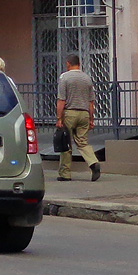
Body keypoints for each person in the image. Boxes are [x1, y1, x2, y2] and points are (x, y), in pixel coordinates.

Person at [56, 54, 100, 182]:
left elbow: (61, 100)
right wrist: (91, 119)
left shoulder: (65, 78)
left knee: (66, 144)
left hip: (70, 113)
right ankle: (93, 162)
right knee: (82, 143)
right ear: (79, 64)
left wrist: (59, 118)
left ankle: (65, 174)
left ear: (68, 63)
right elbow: (91, 102)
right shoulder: (87, 79)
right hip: (84, 114)